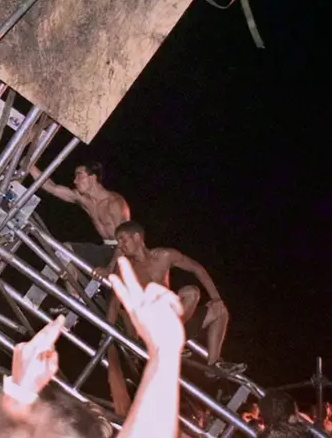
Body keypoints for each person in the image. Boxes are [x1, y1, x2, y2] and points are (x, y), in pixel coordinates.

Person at [105, 220, 243, 414]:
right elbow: (114, 303)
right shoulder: (125, 268)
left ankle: (212, 365)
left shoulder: (164, 255)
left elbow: (198, 269)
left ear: (137, 237)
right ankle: (171, 341)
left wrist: (216, 297)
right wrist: (107, 333)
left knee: (207, 302)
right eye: (118, 241)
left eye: (123, 239)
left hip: (175, 323)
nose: (120, 245)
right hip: (151, 331)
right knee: (190, 293)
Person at [26, 161, 130, 279]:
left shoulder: (114, 203)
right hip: (105, 249)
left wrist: (110, 269)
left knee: (115, 291)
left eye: (79, 175)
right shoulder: (83, 199)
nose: (75, 181)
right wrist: (29, 164)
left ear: (92, 178)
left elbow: (125, 241)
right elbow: (52, 187)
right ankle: (74, 295)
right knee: (65, 250)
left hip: (123, 253)